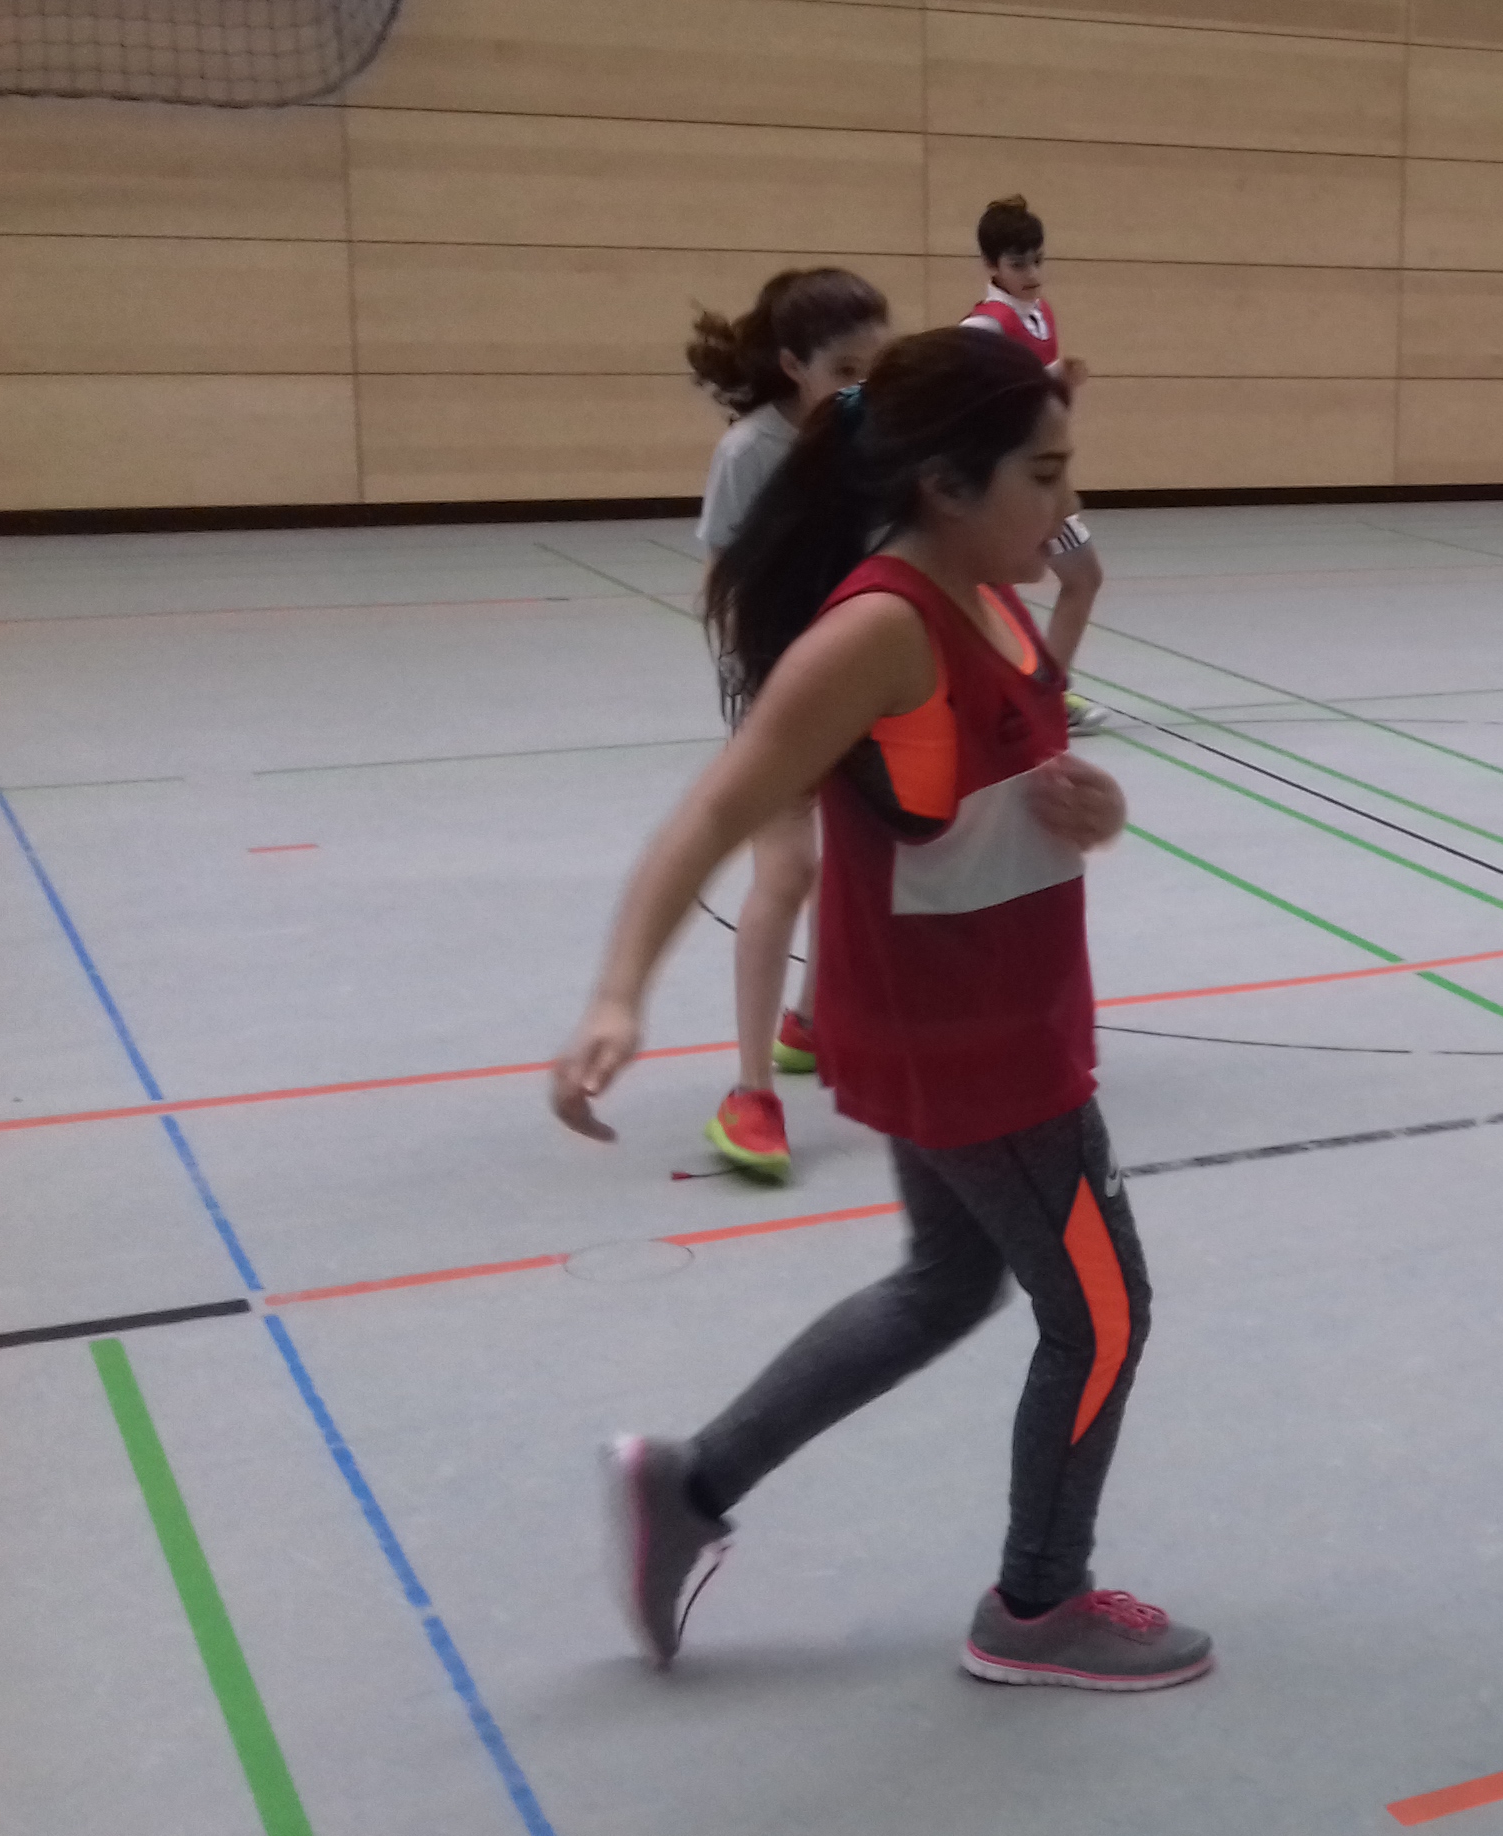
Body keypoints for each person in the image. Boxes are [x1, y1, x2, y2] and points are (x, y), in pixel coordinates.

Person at [555, 328, 1210, 1691]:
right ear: (944, 485)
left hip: (993, 1012)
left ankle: (689, 1485)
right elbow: (715, 813)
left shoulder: (993, 594)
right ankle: (1037, 1604)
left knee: (946, 1284)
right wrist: (618, 993)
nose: (1067, 507)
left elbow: (983, 794)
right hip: (971, 1046)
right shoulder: (878, 629)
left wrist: (1092, 809)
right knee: (1104, 1313)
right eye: (1044, 476)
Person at [681, 267, 892, 1180]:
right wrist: (771, 685)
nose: (862, 387)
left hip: (866, 677)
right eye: (844, 370)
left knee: (866, 854)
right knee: (790, 867)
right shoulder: (750, 452)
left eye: (875, 369)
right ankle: (751, 1091)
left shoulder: (874, 437)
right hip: (777, 683)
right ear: (793, 365)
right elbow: (722, 582)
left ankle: (810, 1022)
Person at [961, 193, 1113, 737]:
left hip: (1043, 477)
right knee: (989, 592)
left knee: (1083, 577)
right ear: (991, 265)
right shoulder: (983, 327)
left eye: (1037, 260)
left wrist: (1058, 382)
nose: (1033, 274)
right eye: (1019, 264)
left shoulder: (1041, 314)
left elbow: (1034, 395)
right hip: (1005, 482)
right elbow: (970, 402)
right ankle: (1015, 696)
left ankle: (1046, 692)